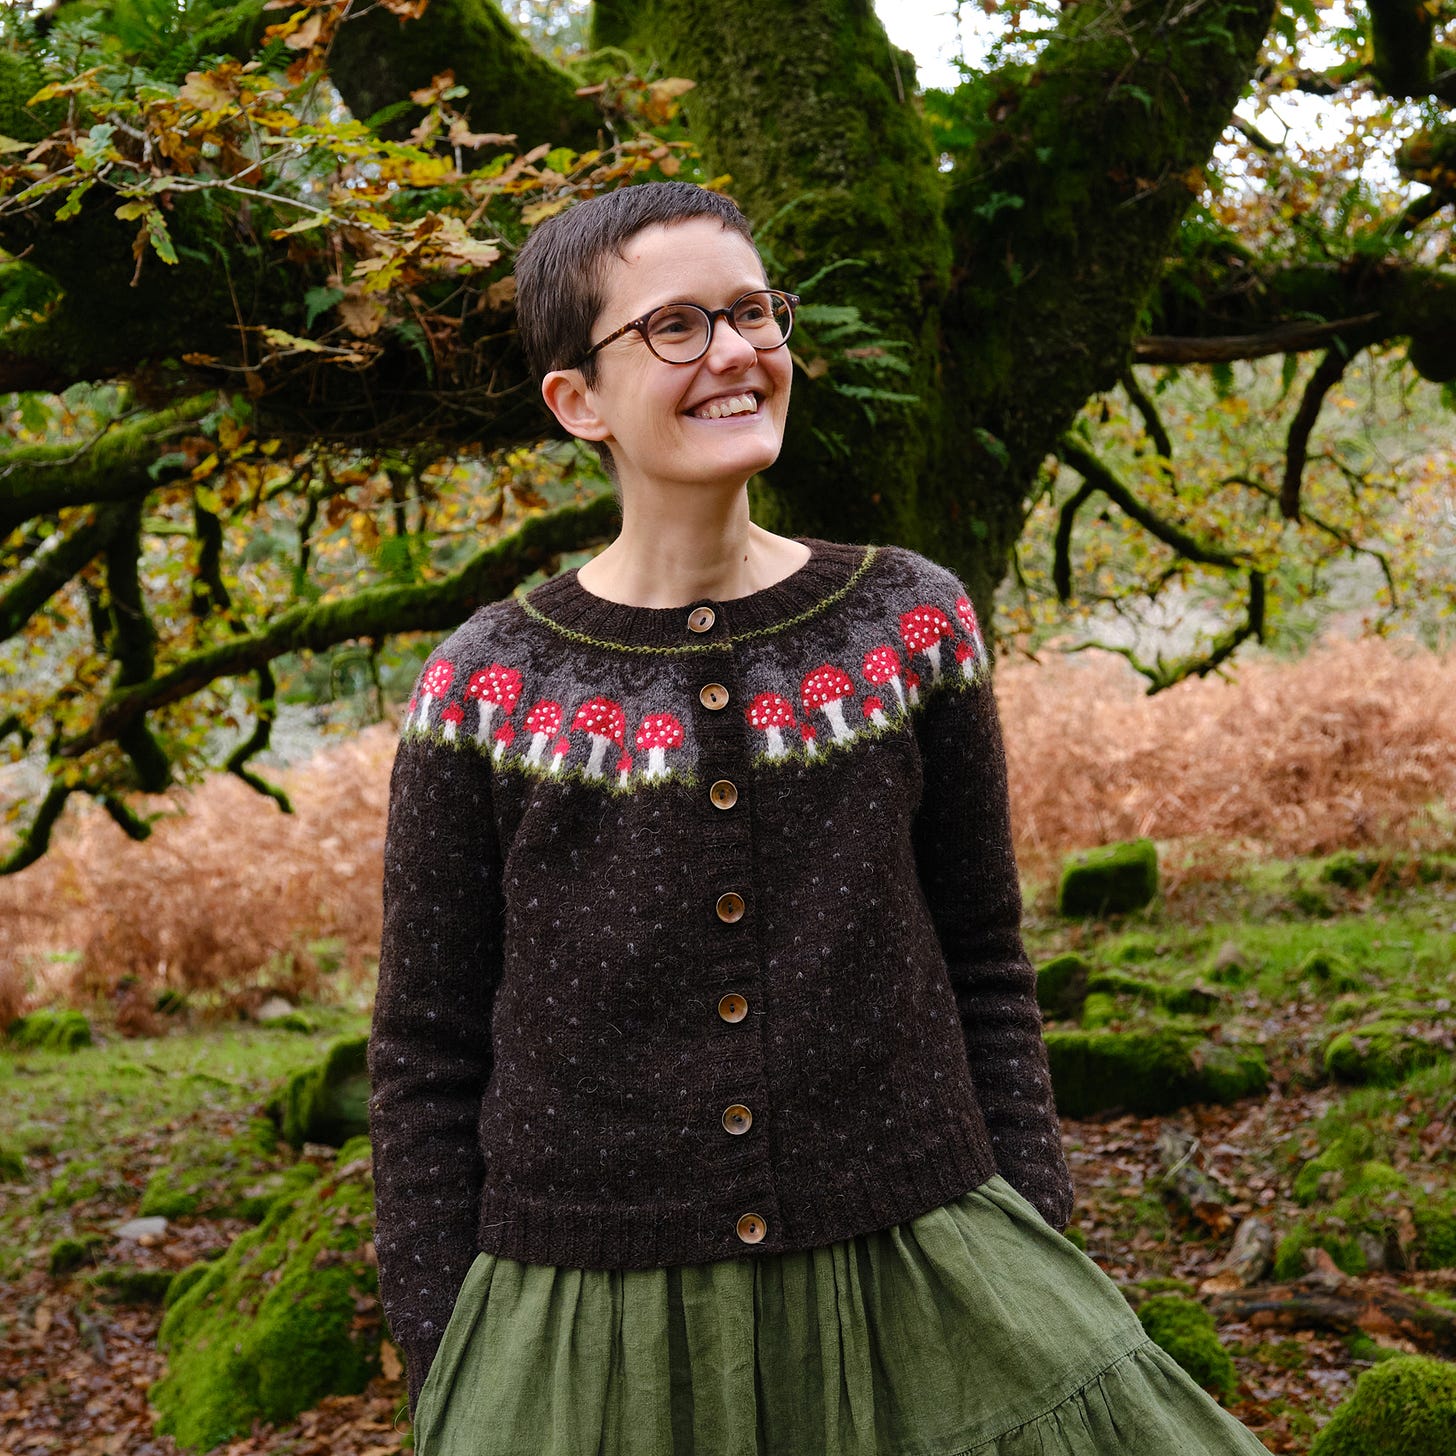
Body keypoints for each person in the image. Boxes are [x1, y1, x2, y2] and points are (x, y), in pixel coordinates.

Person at [368, 180, 1270, 1455]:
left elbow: (985, 963)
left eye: (751, 313)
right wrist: (442, 1355)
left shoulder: (906, 620)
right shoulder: (488, 683)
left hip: (925, 1267)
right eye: (674, 327)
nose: (734, 353)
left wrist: (1034, 1235)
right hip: (587, 1329)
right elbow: (425, 1046)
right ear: (577, 402)